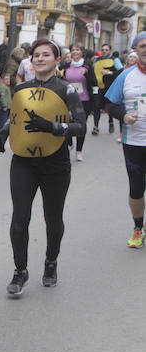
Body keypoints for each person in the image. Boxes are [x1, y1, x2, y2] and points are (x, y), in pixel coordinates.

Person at [0, 39, 85, 296]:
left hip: (55, 164)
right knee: (19, 219)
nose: (40, 59)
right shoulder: (21, 88)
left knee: (52, 219)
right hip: (23, 162)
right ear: (30, 61)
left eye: (46, 55)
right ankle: (20, 271)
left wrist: (53, 127)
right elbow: (15, 119)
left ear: (57, 60)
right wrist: (2, 135)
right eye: (36, 55)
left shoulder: (67, 91)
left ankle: (51, 262)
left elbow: (80, 126)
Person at [104, 32, 146, 248]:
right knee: (137, 188)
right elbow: (109, 104)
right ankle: (138, 227)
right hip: (135, 142)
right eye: (142, 46)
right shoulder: (125, 75)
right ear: (135, 50)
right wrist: (124, 116)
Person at [59, 44, 96, 162]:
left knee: (81, 125)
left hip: (84, 100)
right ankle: (69, 143)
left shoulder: (88, 65)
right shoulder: (66, 65)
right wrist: (60, 75)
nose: (75, 52)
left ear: (82, 52)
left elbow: (94, 82)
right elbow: (60, 80)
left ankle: (79, 151)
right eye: (73, 50)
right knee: (67, 121)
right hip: (69, 99)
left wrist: (86, 74)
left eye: (77, 50)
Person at [92, 44, 119, 136]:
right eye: (103, 49)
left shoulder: (114, 60)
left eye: (106, 50)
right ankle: (96, 127)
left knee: (109, 107)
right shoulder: (97, 60)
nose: (104, 51)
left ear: (110, 51)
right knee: (96, 107)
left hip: (110, 87)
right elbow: (93, 70)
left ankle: (111, 121)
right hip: (99, 87)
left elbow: (121, 71)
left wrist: (110, 72)